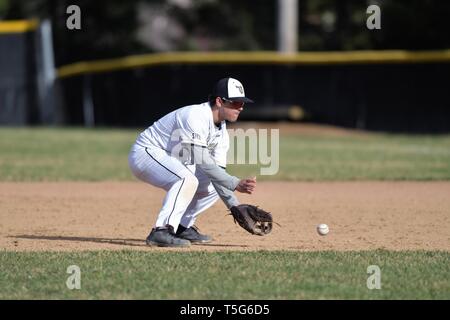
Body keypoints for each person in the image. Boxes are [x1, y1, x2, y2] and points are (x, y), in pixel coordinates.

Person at [128, 77, 257, 247]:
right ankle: (161, 230)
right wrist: (235, 183)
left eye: (242, 103)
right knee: (186, 179)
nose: (240, 107)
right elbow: (204, 162)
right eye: (235, 103)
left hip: (173, 159)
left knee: (213, 184)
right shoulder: (195, 116)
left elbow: (217, 173)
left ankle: (182, 226)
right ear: (219, 101)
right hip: (147, 153)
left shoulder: (222, 131)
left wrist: (235, 206)